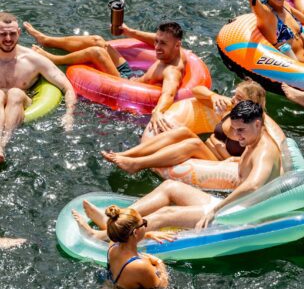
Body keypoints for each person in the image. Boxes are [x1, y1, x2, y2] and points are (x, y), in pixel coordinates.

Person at [73, 100, 282, 236]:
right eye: (234, 129)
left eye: (241, 130)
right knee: (170, 187)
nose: (236, 135)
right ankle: (118, 217)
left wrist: (216, 210)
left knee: (167, 213)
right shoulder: (253, 140)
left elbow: (254, 185)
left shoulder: (264, 151)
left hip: (241, 216)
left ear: (257, 124)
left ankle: (102, 235)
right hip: (235, 206)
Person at [101, 79, 286, 174]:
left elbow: (259, 154)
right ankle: (128, 154)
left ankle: (137, 164)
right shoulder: (231, 109)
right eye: (234, 95)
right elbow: (196, 91)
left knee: (193, 144)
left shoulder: (254, 127)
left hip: (220, 165)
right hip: (208, 153)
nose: (233, 99)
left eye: (239, 98)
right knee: (182, 132)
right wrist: (212, 96)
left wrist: (233, 161)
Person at [23, 20, 184, 127]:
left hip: (126, 86)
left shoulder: (171, 70)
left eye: (162, 44)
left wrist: (158, 112)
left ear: (177, 45)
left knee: (97, 52)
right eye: (157, 41)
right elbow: (154, 38)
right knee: (98, 41)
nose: (156, 47)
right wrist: (130, 32)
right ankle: (47, 40)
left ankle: (55, 59)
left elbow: (168, 94)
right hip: (131, 75)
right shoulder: (176, 50)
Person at [0, 11, 76, 162]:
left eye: (12, 34)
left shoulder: (33, 60)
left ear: (19, 33)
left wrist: (69, 114)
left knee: (15, 93)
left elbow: (67, 88)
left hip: (22, 101)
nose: (8, 39)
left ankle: (2, 144)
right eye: (2, 34)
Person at [101, 205, 169, 289]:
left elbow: (125, 237)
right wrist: (159, 263)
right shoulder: (140, 266)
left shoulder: (112, 246)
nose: (145, 226)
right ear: (135, 232)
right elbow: (162, 287)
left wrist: (147, 235)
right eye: (144, 223)